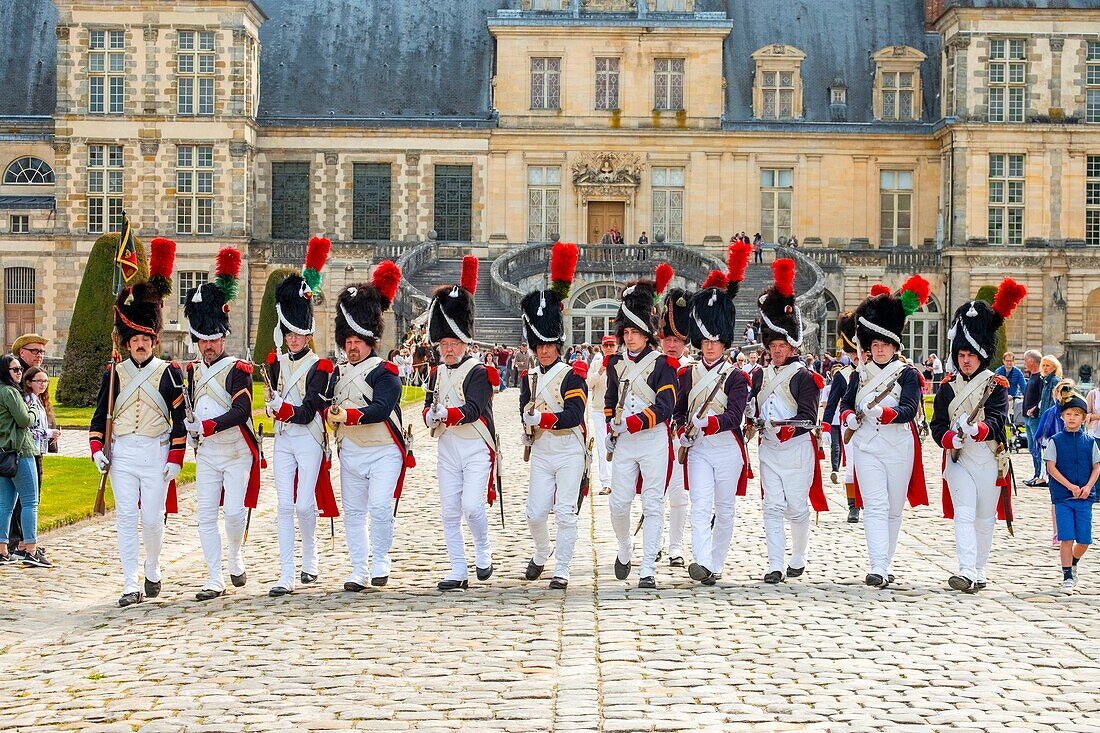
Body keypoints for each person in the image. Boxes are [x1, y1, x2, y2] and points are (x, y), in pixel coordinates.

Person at [89, 238, 185, 605]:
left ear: (153, 339)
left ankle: (154, 567)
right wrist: (98, 447)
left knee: (152, 518)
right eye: (135, 339)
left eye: (146, 338)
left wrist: (176, 457)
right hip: (124, 454)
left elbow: (179, 419)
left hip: (157, 453)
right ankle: (130, 583)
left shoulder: (169, 372)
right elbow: (100, 416)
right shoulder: (113, 373)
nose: (140, 344)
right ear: (127, 342)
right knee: (126, 519)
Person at [932, 279, 1024, 593]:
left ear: (981, 354)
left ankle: (979, 569)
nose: (965, 359)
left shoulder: (995, 385)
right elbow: (938, 425)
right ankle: (966, 570)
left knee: (985, 518)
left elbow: (999, 420)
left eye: (970, 354)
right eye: (961, 354)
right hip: (959, 460)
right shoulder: (946, 387)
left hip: (987, 456)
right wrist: (948, 439)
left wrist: (979, 429)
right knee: (964, 514)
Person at [181, 247, 261, 601]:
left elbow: (241, 412)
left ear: (222, 338)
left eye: (213, 339)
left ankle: (235, 555)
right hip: (208, 453)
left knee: (232, 513)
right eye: (203, 340)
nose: (209, 345)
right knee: (204, 515)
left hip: (236, 451)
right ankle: (214, 576)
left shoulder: (237, 370)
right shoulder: (191, 370)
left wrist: (208, 426)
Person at [327, 261, 412, 592]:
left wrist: (346, 416)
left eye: (358, 339)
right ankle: (359, 568)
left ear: (371, 339)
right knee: (353, 512)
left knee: (378, 507)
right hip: (351, 451)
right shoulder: (338, 371)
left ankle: (381, 560)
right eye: (347, 340)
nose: (352, 346)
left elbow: (381, 409)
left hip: (382, 451)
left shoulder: (385, 372)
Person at [841, 277, 930, 589]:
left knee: (893, 508)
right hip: (866, 447)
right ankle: (877, 565)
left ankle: (886, 561)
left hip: (898, 447)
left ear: (895, 346)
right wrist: (850, 417)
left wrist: (885, 412)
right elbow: (845, 405)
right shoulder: (858, 374)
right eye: (874, 345)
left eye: (884, 345)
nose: (878, 350)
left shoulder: (907, 374)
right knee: (875, 506)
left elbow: (908, 409)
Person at [264, 237, 340, 597]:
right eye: (290, 333)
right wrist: (271, 407)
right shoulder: (273, 363)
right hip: (282, 439)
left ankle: (310, 559)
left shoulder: (320, 366)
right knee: (283, 504)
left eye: (301, 333)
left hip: (309, 438)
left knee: (305, 502)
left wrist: (282, 409)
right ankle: (285, 572)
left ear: (309, 333)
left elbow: (310, 409)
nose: (295, 339)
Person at [422, 256, 500, 591]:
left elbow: (474, 409)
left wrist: (446, 415)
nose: (449, 349)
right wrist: (429, 415)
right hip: (448, 447)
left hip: (474, 445)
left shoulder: (478, 371)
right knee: (449, 512)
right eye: (445, 344)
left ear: (465, 343)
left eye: (454, 344)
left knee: (472, 506)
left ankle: (483, 548)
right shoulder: (437, 372)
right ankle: (458, 569)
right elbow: (429, 403)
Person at [676, 242, 752, 585]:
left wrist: (710, 422)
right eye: (705, 341)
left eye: (715, 342)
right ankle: (701, 560)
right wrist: (681, 429)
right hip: (699, 448)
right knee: (699, 506)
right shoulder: (686, 373)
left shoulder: (737, 376)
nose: (709, 346)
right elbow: (679, 409)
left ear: (724, 344)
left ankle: (716, 563)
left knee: (724, 509)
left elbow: (735, 415)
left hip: (726, 446)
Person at [748, 259, 827, 584]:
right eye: (773, 345)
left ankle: (798, 555)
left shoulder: (804, 377)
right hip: (769, 448)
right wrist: (753, 421)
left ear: (792, 345)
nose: (777, 350)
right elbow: (752, 409)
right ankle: (775, 563)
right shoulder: (758, 375)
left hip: (795, 449)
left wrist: (785, 427)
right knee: (771, 507)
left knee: (796, 505)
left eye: (782, 345)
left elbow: (809, 417)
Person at [518, 242, 588, 589]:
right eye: (539, 346)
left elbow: (574, 415)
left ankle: (562, 567)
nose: (544, 350)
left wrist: (541, 421)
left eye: (549, 345)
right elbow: (524, 408)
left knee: (565, 512)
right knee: (534, 513)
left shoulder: (573, 375)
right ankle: (542, 551)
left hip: (569, 450)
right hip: (543, 451)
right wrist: (527, 428)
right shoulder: (529, 376)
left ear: (558, 346)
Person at [604, 264, 679, 589]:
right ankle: (625, 547)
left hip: (652, 440)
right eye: (626, 332)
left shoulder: (662, 365)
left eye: (634, 332)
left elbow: (665, 407)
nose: (629, 337)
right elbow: (610, 398)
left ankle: (648, 566)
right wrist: (610, 427)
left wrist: (630, 424)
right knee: (618, 504)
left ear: (646, 333)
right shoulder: (615, 363)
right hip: (624, 443)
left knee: (652, 503)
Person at [1043, 391, 1098, 594]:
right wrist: (1069, 486)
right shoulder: (1055, 441)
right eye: (1068, 414)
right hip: (1063, 498)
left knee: (1084, 540)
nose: (1072, 418)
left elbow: (1097, 467)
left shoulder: (1090, 442)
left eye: (1076, 414)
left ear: (1084, 418)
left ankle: (1074, 562)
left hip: (1084, 498)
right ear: (1062, 417)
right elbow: (1051, 467)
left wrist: (1088, 487)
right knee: (1066, 537)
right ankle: (1067, 575)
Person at [657, 279, 695, 569]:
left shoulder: (693, 370)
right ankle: (654, 543)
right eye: (668, 339)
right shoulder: (652, 366)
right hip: (654, 436)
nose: (672, 344)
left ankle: (676, 547)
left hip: (681, 437)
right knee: (653, 495)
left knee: (679, 497)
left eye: (677, 341)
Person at [0, 354, 47, 567]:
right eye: (15, 370)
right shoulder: (10, 392)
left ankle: (2, 550)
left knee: (5, 505)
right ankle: (30, 549)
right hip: (20, 451)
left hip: (4, 453)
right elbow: (24, 419)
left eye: (20, 369)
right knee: (30, 501)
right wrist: (33, 412)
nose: (20, 373)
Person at [822, 311, 859, 521]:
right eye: (852, 353)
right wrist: (826, 425)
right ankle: (853, 505)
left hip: (873, 425)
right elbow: (832, 403)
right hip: (849, 426)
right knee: (851, 466)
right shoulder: (842, 375)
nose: (856, 356)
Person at [587, 336, 617, 495]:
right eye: (606, 345)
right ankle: (606, 481)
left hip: (618, 410)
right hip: (600, 409)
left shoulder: (622, 362)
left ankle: (618, 480)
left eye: (611, 345)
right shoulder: (596, 364)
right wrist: (599, 372)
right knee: (602, 445)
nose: (609, 348)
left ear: (616, 346)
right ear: (602, 347)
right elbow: (588, 384)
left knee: (620, 446)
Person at [1022, 349, 1044, 484]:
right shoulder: (1032, 376)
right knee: (1031, 447)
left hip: (1035, 417)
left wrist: (1034, 409)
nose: (1025, 363)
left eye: (1026, 360)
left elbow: (1042, 398)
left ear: (1031, 361)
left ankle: (1040, 475)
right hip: (1028, 417)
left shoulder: (1040, 378)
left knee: (1037, 447)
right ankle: (1036, 474)